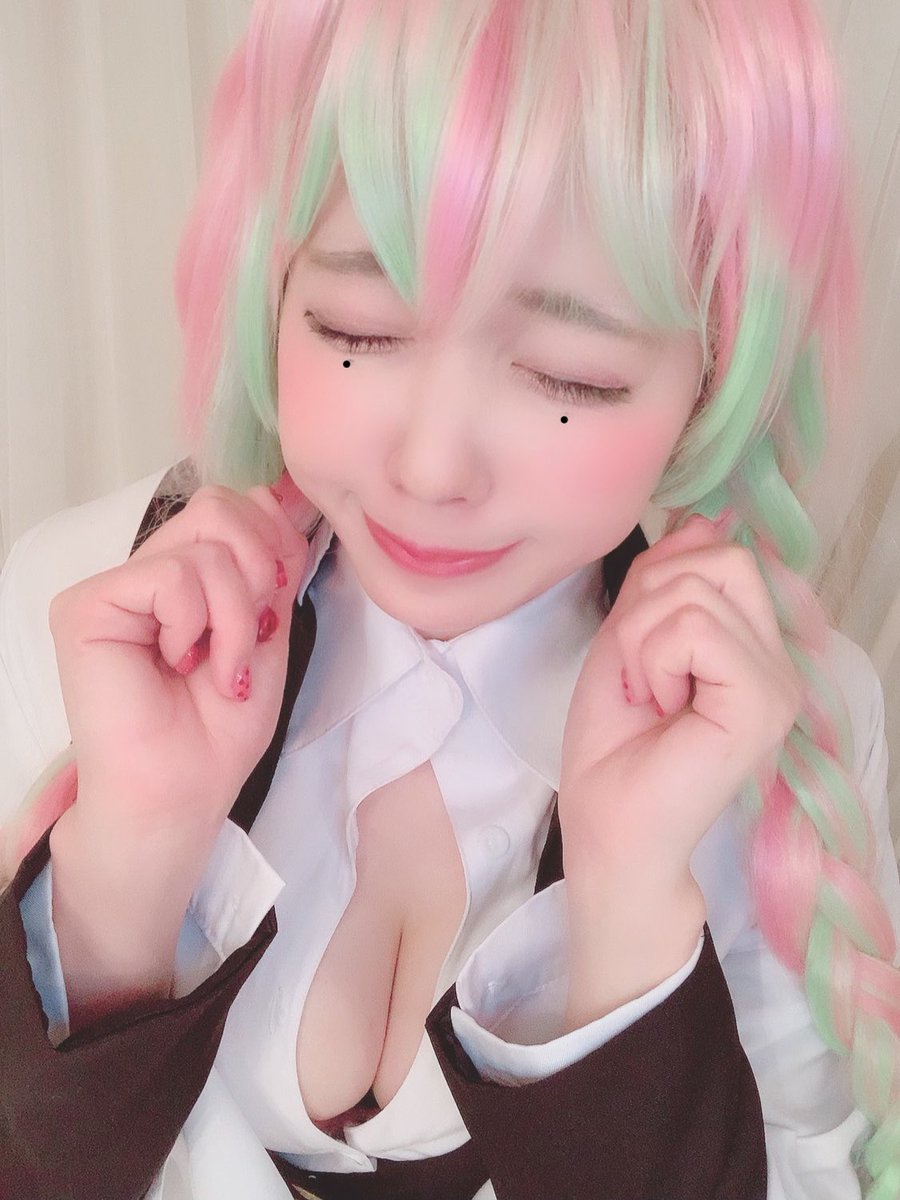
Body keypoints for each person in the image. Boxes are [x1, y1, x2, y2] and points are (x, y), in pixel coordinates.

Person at [1, 1, 899, 1197]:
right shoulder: (91, 604)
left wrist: (626, 920)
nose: (430, 471)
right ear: (269, 282)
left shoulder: (778, 722)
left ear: (716, 370)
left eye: (569, 377)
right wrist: (125, 867)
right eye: (358, 331)